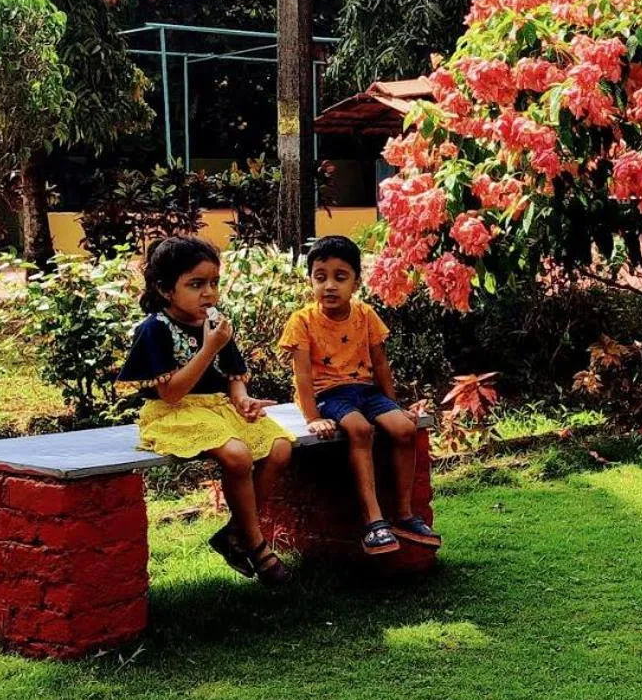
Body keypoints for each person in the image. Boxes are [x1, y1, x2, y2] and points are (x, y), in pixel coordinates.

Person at [121, 237, 294, 584]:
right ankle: (257, 544)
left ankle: (234, 533)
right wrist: (209, 347)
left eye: (214, 282)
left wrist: (242, 397)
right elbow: (170, 393)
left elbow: (233, 377)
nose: (209, 293)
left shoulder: (216, 325)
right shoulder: (154, 329)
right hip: (174, 413)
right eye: (196, 284)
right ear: (166, 289)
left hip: (218, 409)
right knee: (238, 456)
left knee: (280, 446)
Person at [282, 235, 433, 556]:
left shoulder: (365, 315)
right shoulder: (302, 321)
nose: (330, 286)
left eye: (340, 277)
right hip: (330, 395)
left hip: (366, 392)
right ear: (310, 280)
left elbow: (380, 363)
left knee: (405, 429)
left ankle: (404, 515)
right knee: (360, 430)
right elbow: (303, 375)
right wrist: (313, 418)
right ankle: (373, 520)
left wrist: (394, 404)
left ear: (356, 282)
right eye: (320, 277)